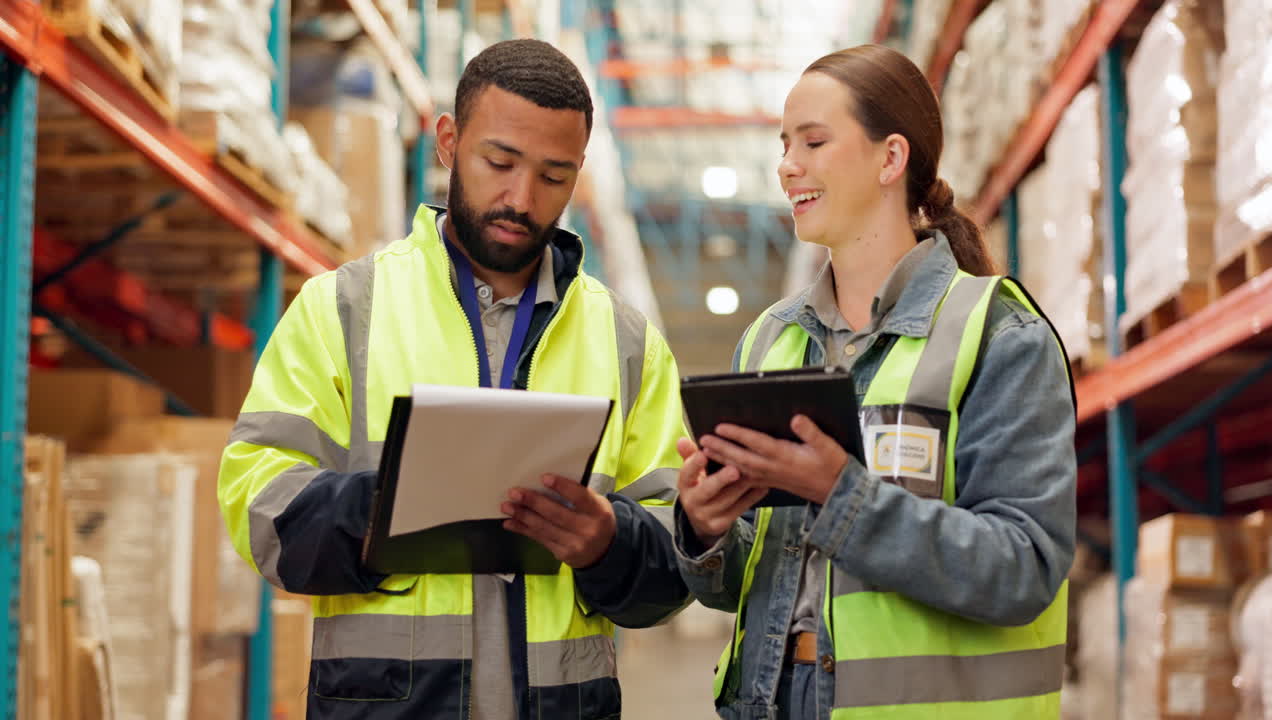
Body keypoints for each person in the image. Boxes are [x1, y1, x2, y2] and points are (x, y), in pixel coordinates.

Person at [219, 39, 690, 720]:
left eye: (554, 176)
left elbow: (678, 556)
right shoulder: (345, 309)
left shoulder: (626, 341)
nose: (520, 198)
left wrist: (610, 545)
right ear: (447, 141)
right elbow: (255, 503)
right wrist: (391, 506)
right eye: (499, 162)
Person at [673, 44, 1077, 719]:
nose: (787, 166)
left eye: (814, 141)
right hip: (774, 699)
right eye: (784, 144)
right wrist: (706, 530)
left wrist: (842, 496)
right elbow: (756, 579)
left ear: (891, 159)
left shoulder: (998, 336)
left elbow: (1024, 567)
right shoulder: (770, 341)